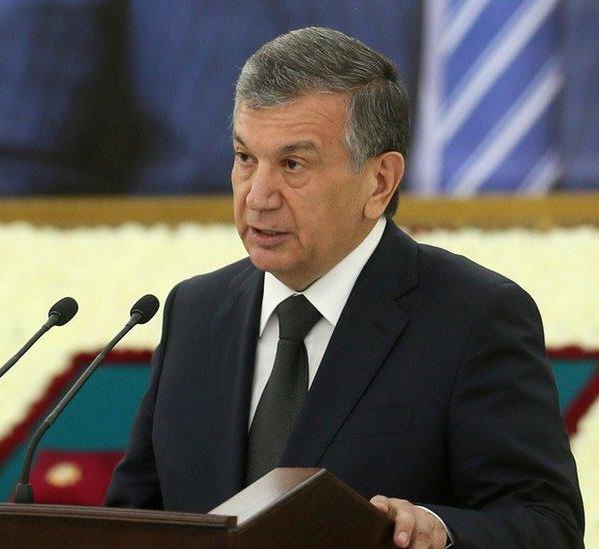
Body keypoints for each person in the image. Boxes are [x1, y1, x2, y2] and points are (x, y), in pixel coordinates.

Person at [104, 27, 584, 548]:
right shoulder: (196, 311)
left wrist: (439, 532)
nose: (258, 196)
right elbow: (137, 519)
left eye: (293, 164)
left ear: (379, 181)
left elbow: (547, 525)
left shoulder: (474, 317)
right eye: (246, 158)